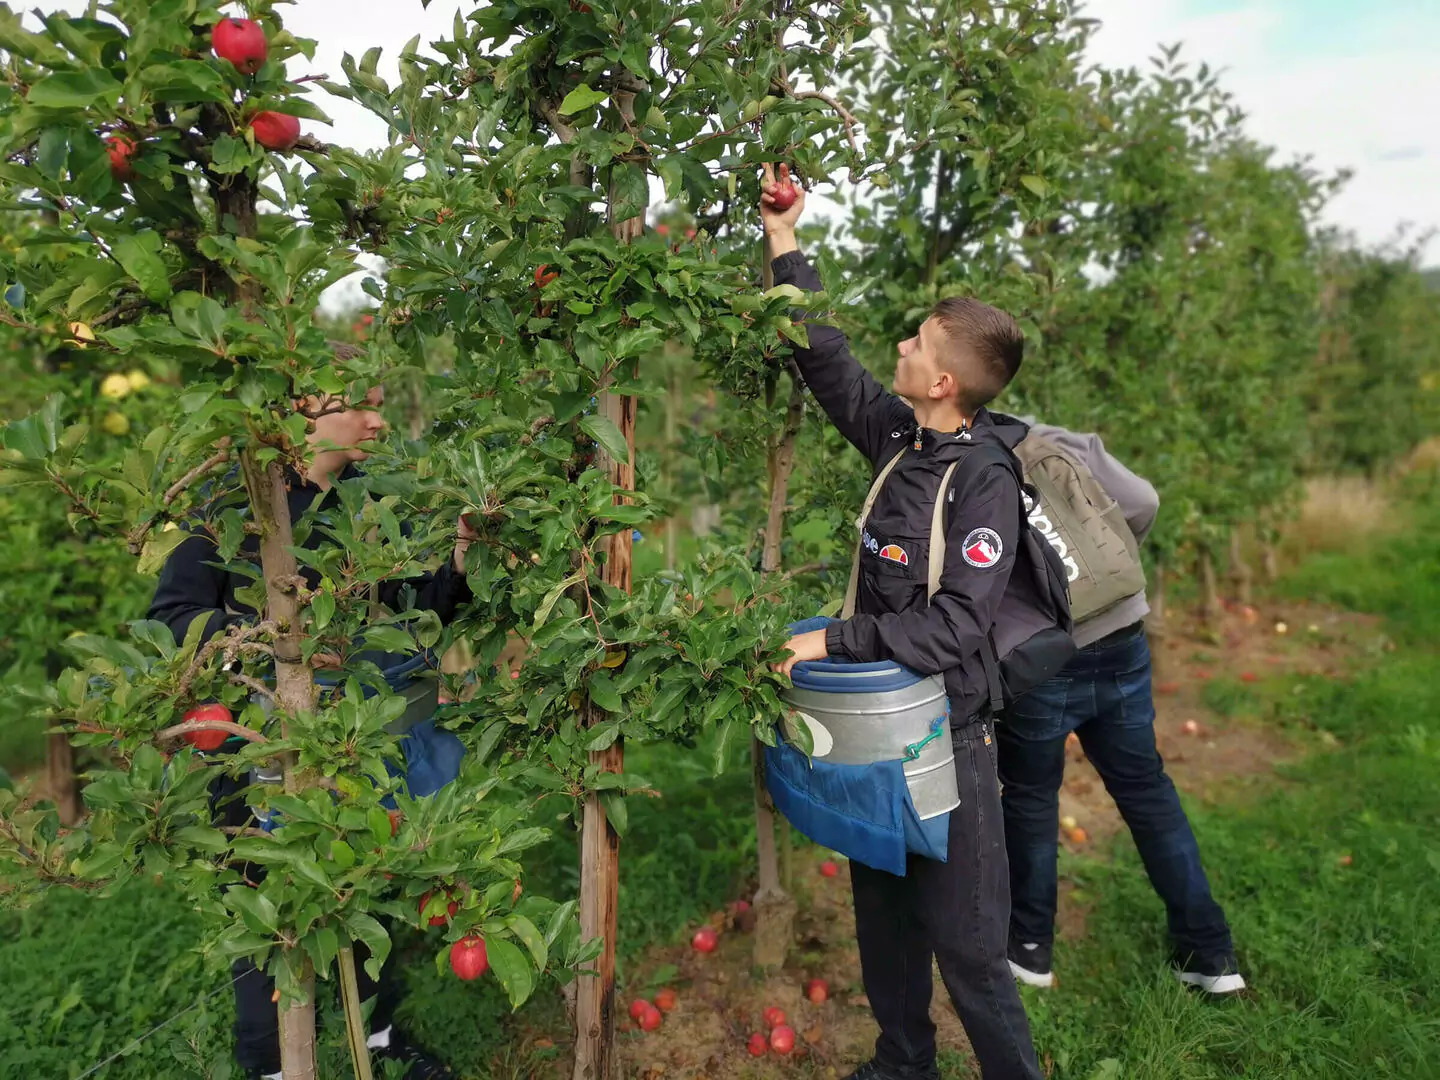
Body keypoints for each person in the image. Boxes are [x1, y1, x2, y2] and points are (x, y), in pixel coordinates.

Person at [763, 164, 1043, 1080]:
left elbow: (959, 626)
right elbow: (824, 359)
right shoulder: (900, 437)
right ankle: (901, 1061)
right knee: (881, 916)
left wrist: (832, 639)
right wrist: (784, 238)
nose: (902, 347)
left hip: (947, 737)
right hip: (878, 726)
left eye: (918, 343)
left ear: (946, 378)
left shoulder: (983, 481)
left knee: (964, 942)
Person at [149, 381, 477, 1080]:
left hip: (350, 746)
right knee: (263, 907)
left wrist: (454, 565)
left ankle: (382, 1040)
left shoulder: (366, 501)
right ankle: (271, 1064)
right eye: (358, 405)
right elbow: (172, 616)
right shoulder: (232, 512)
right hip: (255, 752)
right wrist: (269, 637)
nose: (376, 419)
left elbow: (417, 603)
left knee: (360, 887)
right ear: (300, 412)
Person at [995, 421, 1245, 995]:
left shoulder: (958, 464)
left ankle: (1030, 950)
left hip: (1044, 654)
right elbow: (1143, 500)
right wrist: (1104, 563)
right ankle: (1209, 953)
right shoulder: (1047, 437)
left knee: (1032, 798)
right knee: (1146, 789)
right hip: (1122, 637)